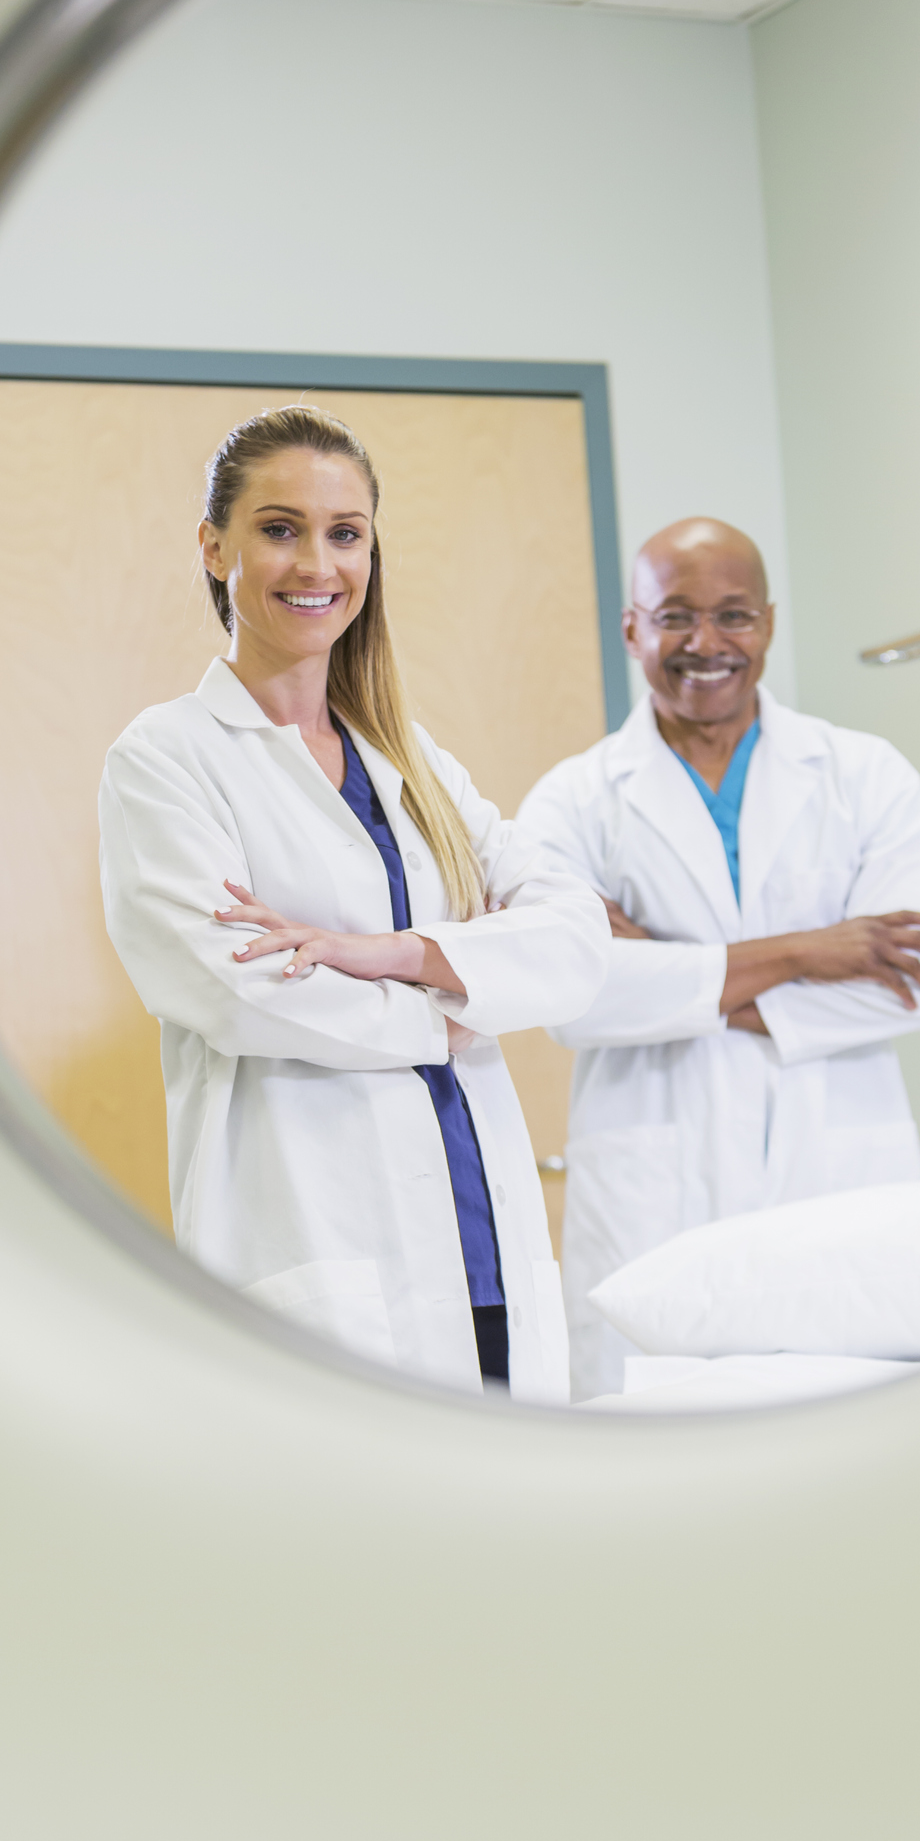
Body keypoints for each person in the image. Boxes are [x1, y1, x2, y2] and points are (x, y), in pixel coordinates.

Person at [98, 406, 611, 1402]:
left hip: (484, 1245)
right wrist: (454, 1006)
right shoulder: (165, 760)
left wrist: (392, 954)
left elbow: (574, 938)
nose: (315, 564)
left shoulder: (413, 763)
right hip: (320, 1243)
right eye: (278, 529)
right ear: (215, 548)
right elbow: (235, 992)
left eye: (345, 534)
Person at [516, 516, 920, 1399]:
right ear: (633, 626)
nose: (706, 643)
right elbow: (571, 999)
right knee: (663, 1459)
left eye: (735, 615)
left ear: (769, 623)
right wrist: (807, 950)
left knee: (859, 1440)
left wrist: (658, 967)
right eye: (676, 615)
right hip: (654, 1195)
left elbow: (911, 990)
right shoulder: (572, 803)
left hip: (838, 1173)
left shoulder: (868, 778)